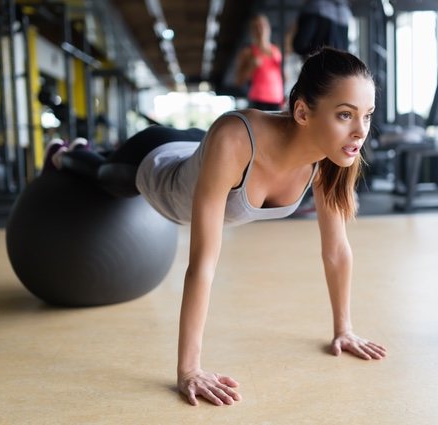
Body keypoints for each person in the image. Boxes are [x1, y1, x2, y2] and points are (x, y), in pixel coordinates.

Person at [44, 47, 387, 407]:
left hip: (200, 148)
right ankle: (65, 154)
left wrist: (344, 330)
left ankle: (81, 151)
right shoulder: (239, 140)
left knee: (127, 165)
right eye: (345, 114)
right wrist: (189, 370)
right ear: (302, 111)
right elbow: (202, 264)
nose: (360, 131)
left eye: (367, 115)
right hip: (156, 162)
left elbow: (336, 250)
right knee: (105, 175)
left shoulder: (333, 155)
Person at [235, 14, 285, 111]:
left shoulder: (277, 50)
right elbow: (238, 81)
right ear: (251, 31)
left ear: (269, 27)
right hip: (258, 100)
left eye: (262, 25)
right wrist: (251, 67)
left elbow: (283, 77)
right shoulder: (248, 52)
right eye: (256, 27)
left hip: (277, 99)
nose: (260, 29)